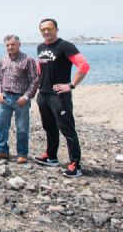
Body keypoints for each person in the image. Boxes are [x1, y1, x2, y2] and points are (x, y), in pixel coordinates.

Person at [34, 18, 90, 177]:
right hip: (43, 94)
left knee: (67, 129)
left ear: (56, 29)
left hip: (59, 96)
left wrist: (71, 85)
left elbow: (84, 66)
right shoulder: (40, 47)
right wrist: (38, 84)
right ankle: (51, 157)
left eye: (49, 28)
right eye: (43, 29)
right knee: (49, 127)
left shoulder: (65, 46)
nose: (46, 32)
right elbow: (41, 67)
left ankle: (75, 164)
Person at [0, 35, 38, 164]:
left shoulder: (28, 60)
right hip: (5, 98)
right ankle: (2, 150)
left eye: (12, 44)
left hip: (21, 99)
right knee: (0, 125)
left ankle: (22, 154)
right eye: (8, 45)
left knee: (22, 129)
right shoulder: (3, 59)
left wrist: (26, 97)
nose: (10, 47)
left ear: (19, 44)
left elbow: (35, 80)